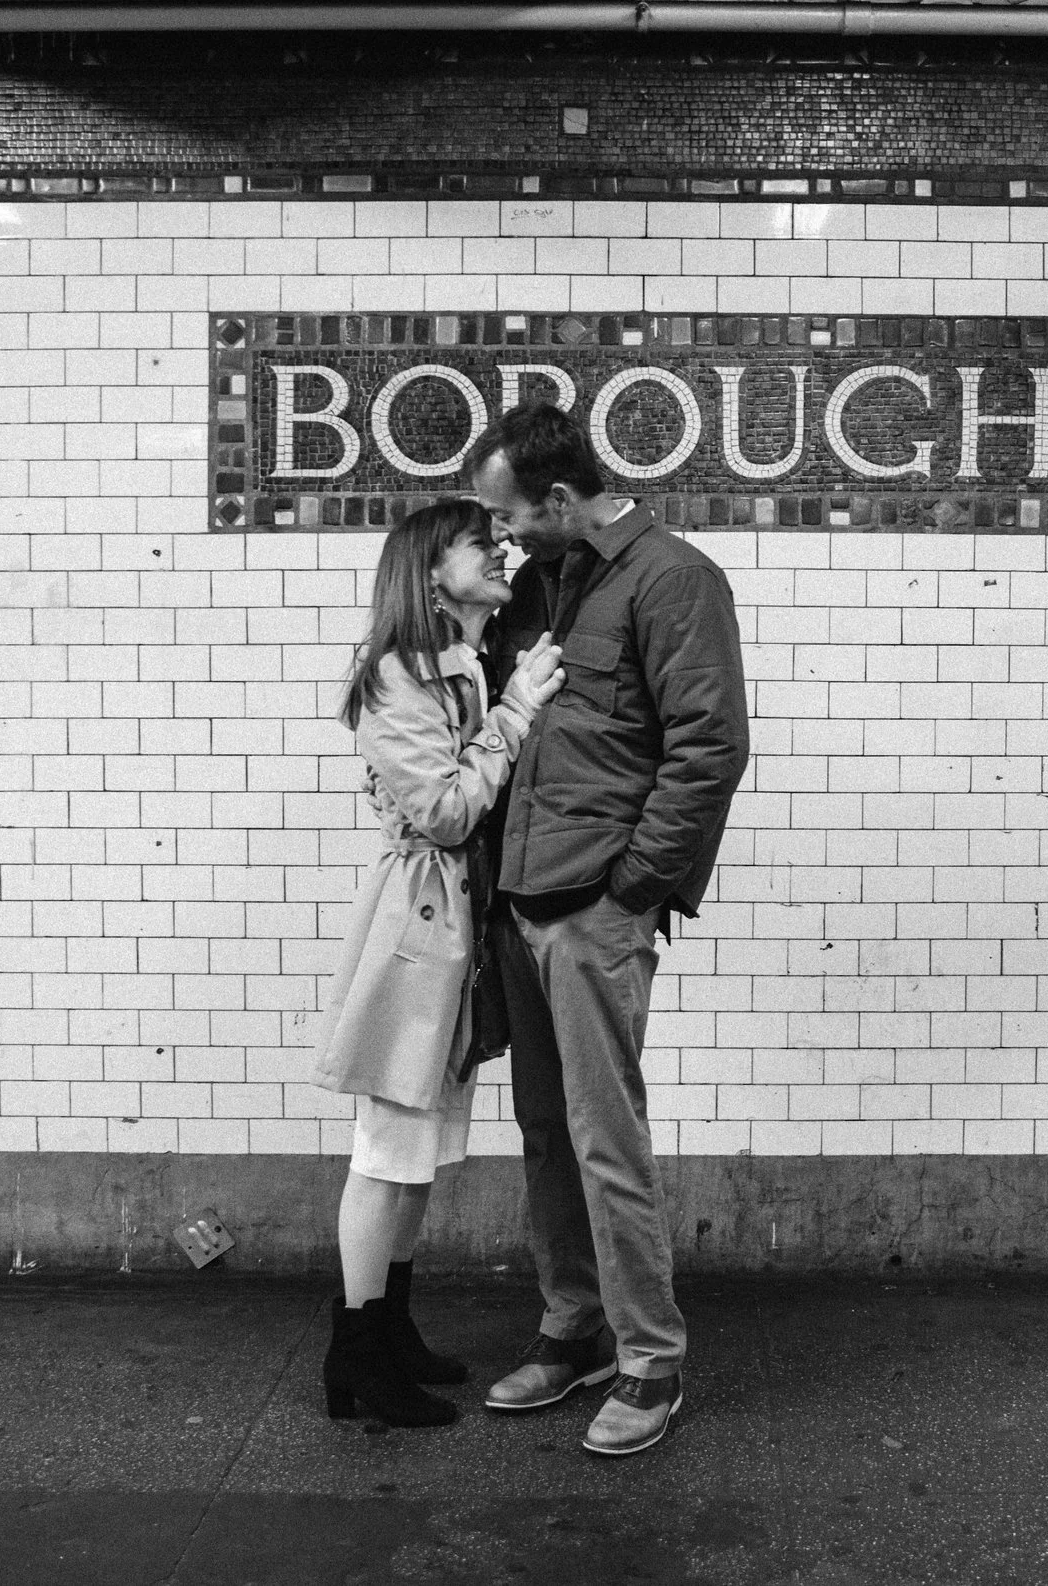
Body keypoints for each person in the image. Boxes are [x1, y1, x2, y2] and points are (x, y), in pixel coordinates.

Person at [468, 402, 751, 1458]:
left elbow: (709, 745)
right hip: (521, 899)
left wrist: (634, 885)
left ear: (558, 497)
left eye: (510, 516)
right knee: (548, 1132)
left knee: (606, 1137)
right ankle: (573, 1325)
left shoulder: (671, 577)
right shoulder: (539, 583)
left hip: (594, 906)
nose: (501, 535)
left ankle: (649, 1359)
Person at [314, 497, 565, 1429]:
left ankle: (388, 1328)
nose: (501, 552)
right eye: (480, 544)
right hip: (414, 929)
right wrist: (515, 711)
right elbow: (451, 811)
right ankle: (353, 1351)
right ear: (430, 571)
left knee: (416, 1148)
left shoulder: (454, 665)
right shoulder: (394, 677)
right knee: (386, 1149)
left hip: (445, 927)